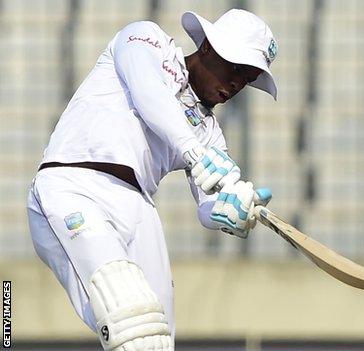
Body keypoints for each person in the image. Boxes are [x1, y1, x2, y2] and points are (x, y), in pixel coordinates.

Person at [26, 9, 276, 351]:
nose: (236, 85)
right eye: (235, 68)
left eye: (247, 79)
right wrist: (193, 151)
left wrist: (231, 210)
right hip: (75, 185)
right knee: (131, 318)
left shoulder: (210, 135)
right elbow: (148, 93)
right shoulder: (148, 40)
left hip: (139, 208)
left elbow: (208, 206)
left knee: (156, 340)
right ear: (207, 48)